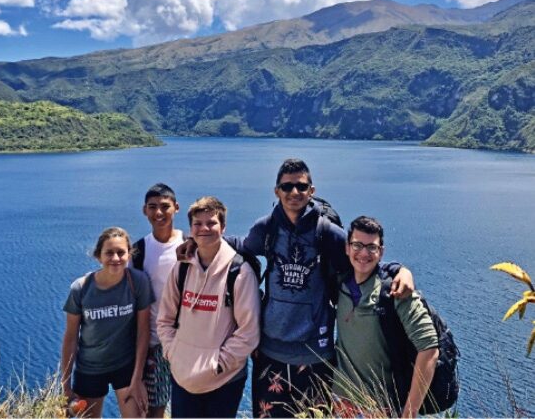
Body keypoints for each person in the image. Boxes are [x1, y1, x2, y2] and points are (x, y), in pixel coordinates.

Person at [177, 158, 415, 417]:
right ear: (276, 191)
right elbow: (242, 245)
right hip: (270, 351)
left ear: (311, 191)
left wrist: (398, 270)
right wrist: (198, 240)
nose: (294, 193)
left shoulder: (326, 231)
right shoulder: (267, 227)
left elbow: (360, 257)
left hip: (315, 353)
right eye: (287, 187)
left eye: (301, 187)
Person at [157, 196, 260, 418]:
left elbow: (249, 332)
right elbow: (164, 318)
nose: (204, 228)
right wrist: (172, 352)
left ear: (223, 227)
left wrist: (218, 364)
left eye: (211, 223)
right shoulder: (182, 268)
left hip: (223, 380)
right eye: (197, 223)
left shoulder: (239, 272)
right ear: (191, 229)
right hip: (183, 375)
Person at [334, 216, 438, 418]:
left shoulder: (396, 292)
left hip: (380, 408)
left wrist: (409, 413)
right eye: (357, 245)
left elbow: (429, 348)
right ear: (347, 248)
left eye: (372, 247)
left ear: (381, 252)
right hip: (340, 403)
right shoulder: (339, 283)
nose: (364, 253)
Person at [61, 227, 154, 418]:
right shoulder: (82, 288)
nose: (115, 258)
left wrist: (137, 379)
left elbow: (143, 332)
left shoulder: (137, 282)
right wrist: (66, 386)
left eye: (121, 252)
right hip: (90, 369)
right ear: (98, 256)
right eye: (109, 253)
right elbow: (70, 338)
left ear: (129, 254)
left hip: (126, 366)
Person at [130, 183, 184, 418]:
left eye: (165, 206)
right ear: (144, 210)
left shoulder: (190, 245)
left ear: (176, 208)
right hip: (154, 344)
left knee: (190, 407)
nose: (159, 213)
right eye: (153, 207)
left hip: (187, 342)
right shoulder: (139, 251)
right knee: (153, 410)